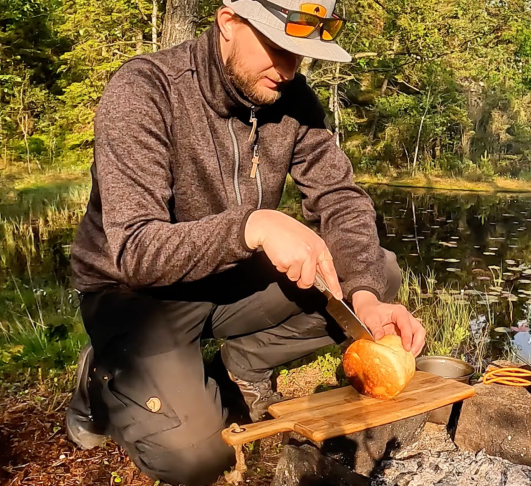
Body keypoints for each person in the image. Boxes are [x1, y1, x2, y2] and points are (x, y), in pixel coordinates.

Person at [64, 0, 426, 483]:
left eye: (301, 54)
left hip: (230, 283)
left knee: (379, 269)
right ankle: (101, 376)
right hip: (137, 296)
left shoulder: (295, 99)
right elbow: (136, 250)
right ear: (228, 21)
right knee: (195, 457)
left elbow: (341, 199)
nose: (289, 68)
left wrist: (365, 297)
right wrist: (251, 226)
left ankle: (243, 367)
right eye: (278, 46)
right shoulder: (144, 90)